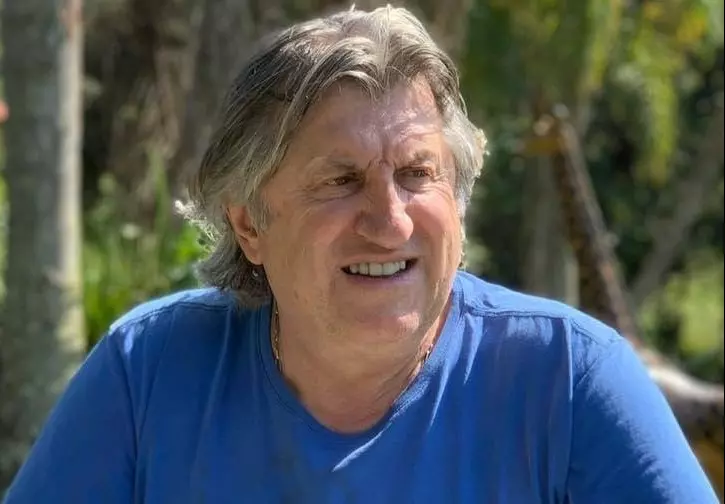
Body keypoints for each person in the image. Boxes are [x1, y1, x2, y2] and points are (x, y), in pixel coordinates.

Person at [3, 6, 718, 504]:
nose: (388, 220)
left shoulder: (570, 381)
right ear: (249, 224)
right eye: (340, 181)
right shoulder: (148, 373)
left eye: (417, 173)